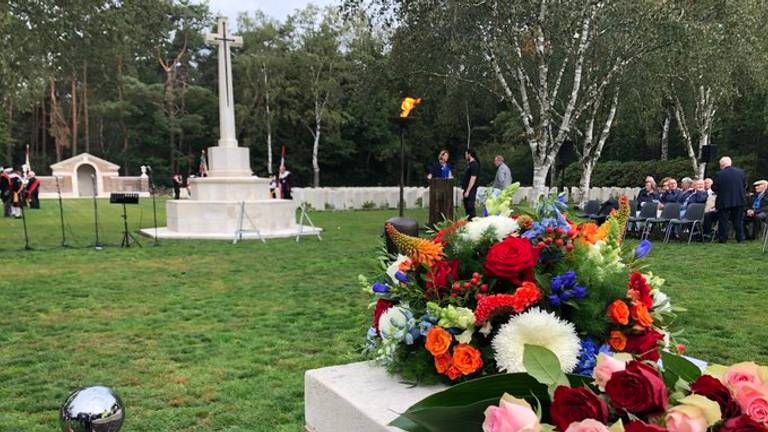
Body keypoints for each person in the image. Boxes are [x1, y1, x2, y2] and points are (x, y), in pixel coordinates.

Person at [711, 156, 747, 243]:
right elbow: (745, 185)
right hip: (739, 200)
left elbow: (714, 187)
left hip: (724, 201)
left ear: (721, 165)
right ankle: (740, 238)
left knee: (723, 221)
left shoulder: (719, 174)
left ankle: (723, 239)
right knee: (738, 220)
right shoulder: (741, 172)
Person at [462, 149, 480, 220]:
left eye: (466, 154)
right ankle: (469, 221)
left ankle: (473, 221)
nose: (465, 156)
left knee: (470, 207)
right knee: (467, 207)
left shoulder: (474, 164)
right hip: (466, 188)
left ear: (470, 154)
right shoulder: (470, 164)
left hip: (471, 189)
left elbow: (473, 178)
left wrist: (468, 191)